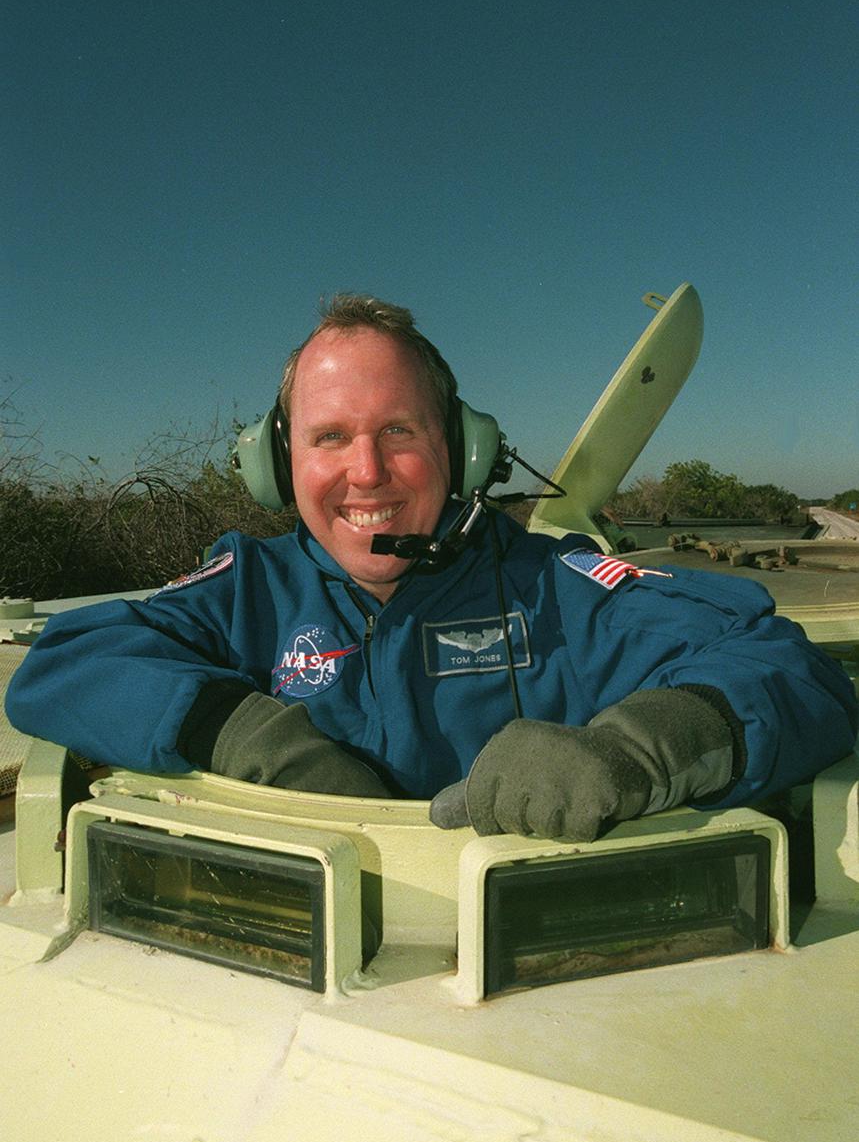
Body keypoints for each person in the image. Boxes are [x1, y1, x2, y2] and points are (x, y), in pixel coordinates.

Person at [6, 297, 856, 841]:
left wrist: (638, 750)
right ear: (276, 463)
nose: (366, 472)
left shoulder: (555, 589)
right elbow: (65, 663)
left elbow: (791, 669)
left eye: (399, 433)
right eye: (329, 436)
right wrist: (245, 733)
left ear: (461, 450)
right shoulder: (244, 591)